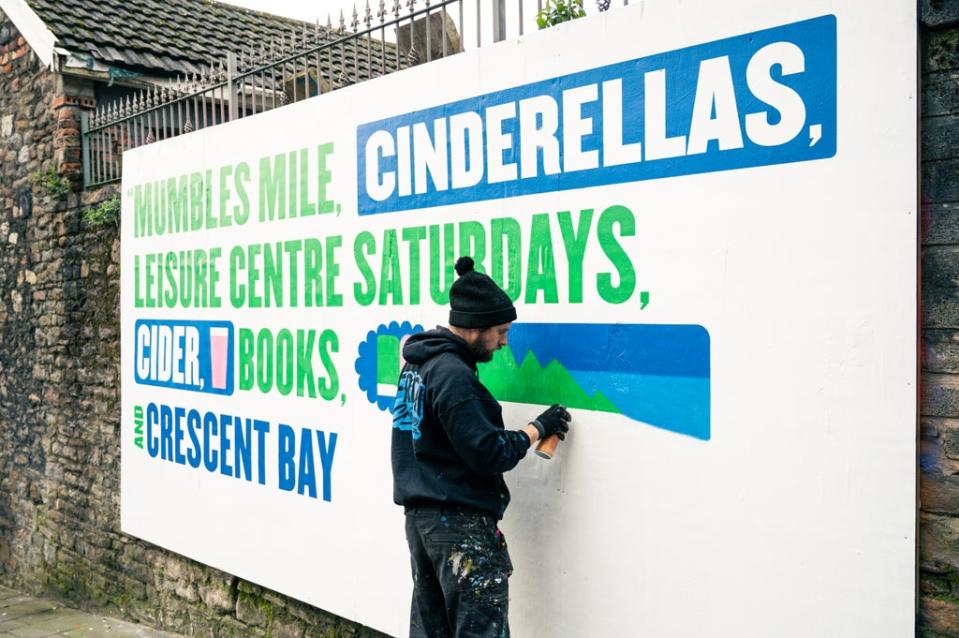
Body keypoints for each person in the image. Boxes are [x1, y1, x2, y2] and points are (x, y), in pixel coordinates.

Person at [391, 255, 572, 638]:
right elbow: (490, 452)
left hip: (423, 525)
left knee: (432, 630)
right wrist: (537, 428)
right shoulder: (453, 375)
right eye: (501, 331)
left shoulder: (418, 366)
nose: (505, 342)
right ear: (475, 326)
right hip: (460, 529)